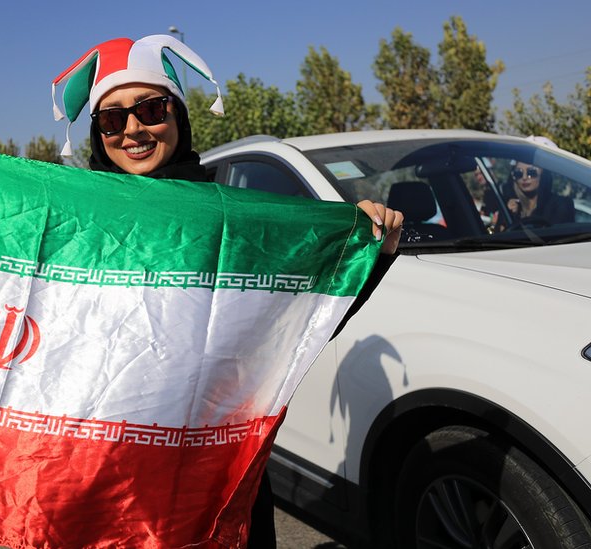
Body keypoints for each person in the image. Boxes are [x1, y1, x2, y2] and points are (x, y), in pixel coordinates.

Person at [52, 34, 403, 548]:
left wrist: (370, 254)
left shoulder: (233, 219)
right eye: (111, 119)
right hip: (109, 474)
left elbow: (299, 321)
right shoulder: (78, 224)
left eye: (151, 109)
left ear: (178, 116)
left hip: (216, 474)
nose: (133, 129)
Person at [503, 160, 575, 225]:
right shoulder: (509, 206)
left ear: (543, 175)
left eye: (531, 172)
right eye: (518, 173)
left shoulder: (560, 205)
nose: (524, 177)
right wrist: (511, 215)